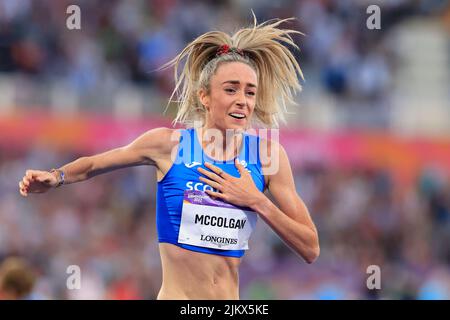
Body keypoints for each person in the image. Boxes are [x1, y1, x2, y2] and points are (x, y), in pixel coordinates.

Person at [18, 16, 320, 300]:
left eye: (250, 92)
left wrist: (256, 200)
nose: (242, 100)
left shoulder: (268, 156)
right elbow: (95, 165)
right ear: (204, 96)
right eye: (231, 89)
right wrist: (55, 177)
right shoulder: (169, 145)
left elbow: (310, 247)